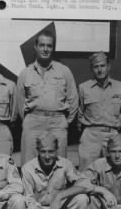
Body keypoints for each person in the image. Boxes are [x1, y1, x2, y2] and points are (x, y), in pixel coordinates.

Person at [17, 30, 78, 164]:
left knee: (59, 165)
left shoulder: (64, 71)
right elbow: (20, 102)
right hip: (33, 122)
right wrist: (29, 119)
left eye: (49, 46)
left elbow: (73, 100)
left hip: (57, 123)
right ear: (36, 47)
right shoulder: (25, 73)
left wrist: (64, 122)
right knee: (29, 165)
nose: (45, 49)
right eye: (42, 45)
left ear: (53, 48)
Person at [78, 51, 121, 171]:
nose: (100, 70)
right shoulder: (84, 88)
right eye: (96, 66)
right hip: (90, 137)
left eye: (102, 66)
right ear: (91, 69)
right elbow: (79, 113)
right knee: (86, 176)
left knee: (114, 175)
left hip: (112, 136)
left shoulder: (120, 87)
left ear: (108, 67)